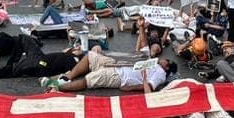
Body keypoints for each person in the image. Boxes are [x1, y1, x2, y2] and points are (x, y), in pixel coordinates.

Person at [43, 50, 177, 93]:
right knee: (90, 56)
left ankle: (56, 85)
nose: (163, 59)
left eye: (166, 60)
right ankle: (68, 77)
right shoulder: (153, 62)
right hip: (116, 64)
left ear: (167, 66)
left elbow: (150, 88)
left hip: (119, 76)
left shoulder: (161, 73)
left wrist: (131, 87)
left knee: (89, 80)